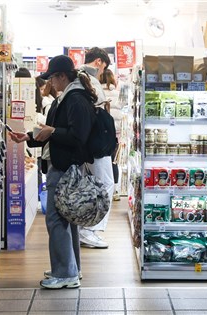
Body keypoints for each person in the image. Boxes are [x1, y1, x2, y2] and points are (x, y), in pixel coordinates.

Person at [8, 55, 97, 289]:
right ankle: (70, 268)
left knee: (56, 220)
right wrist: (28, 137)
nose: (50, 83)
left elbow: (78, 137)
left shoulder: (75, 100)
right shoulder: (65, 98)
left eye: (53, 78)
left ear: (62, 76)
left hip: (66, 167)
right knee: (68, 220)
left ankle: (65, 273)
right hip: (61, 165)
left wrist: (53, 132)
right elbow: (50, 132)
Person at [78, 47, 114, 249]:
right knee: (106, 183)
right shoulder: (87, 80)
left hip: (89, 142)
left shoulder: (82, 78)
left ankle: (86, 228)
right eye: (103, 68)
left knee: (91, 184)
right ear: (99, 62)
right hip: (95, 142)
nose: (102, 73)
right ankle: (89, 230)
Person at [100, 68, 124, 201]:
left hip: (101, 133)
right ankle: (115, 191)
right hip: (115, 133)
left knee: (101, 161)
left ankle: (102, 189)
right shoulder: (117, 93)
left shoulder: (97, 93)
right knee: (113, 162)